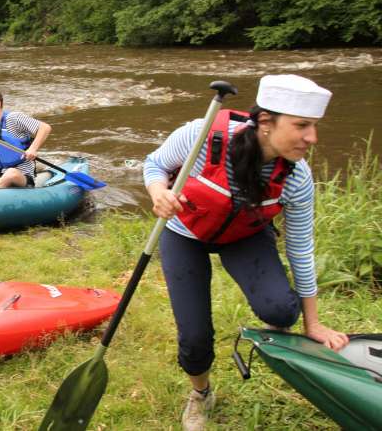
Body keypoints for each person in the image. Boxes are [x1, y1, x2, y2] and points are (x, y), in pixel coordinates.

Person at [143, 74, 349, 431]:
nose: (312, 138)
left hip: (244, 236)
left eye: (314, 126)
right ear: (266, 123)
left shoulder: (297, 179)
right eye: (302, 126)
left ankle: (267, 328)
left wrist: (312, 323)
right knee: (194, 338)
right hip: (185, 231)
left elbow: (301, 249)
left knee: (282, 310)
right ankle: (201, 394)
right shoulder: (201, 134)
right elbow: (154, 165)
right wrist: (158, 192)